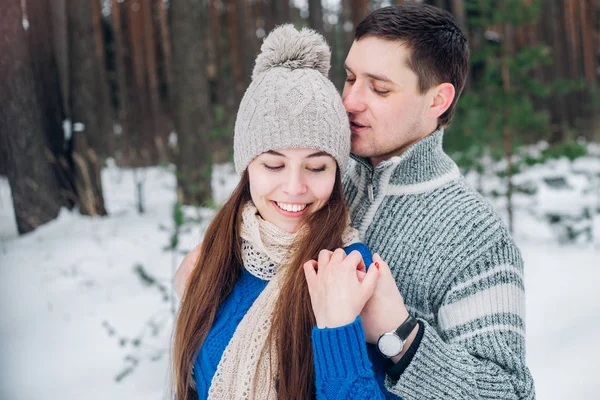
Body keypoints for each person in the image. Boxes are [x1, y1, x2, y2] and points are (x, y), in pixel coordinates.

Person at [177, 4, 535, 399]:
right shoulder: (320, 174)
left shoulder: (473, 235)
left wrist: (401, 336)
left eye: (379, 88)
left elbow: (508, 392)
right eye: (349, 78)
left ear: (437, 100)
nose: (350, 101)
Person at [172, 24, 402, 400]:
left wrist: (338, 330)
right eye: (273, 165)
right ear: (247, 168)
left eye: (316, 167)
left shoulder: (348, 271)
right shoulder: (215, 257)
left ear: (337, 172)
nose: (295, 187)